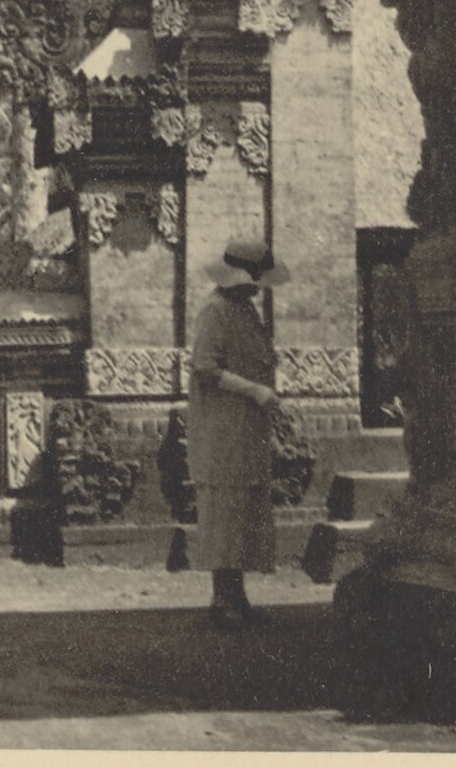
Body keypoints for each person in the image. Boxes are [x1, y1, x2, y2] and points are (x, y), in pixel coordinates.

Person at [188, 240, 286, 629]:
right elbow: (205, 368)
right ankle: (222, 600)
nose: (258, 288)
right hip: (222, 428)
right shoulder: (215, 311)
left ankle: (237, 597)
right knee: (224, 513)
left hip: (246, 429)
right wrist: (253, 389)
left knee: (243, 513)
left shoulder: (245, 311)